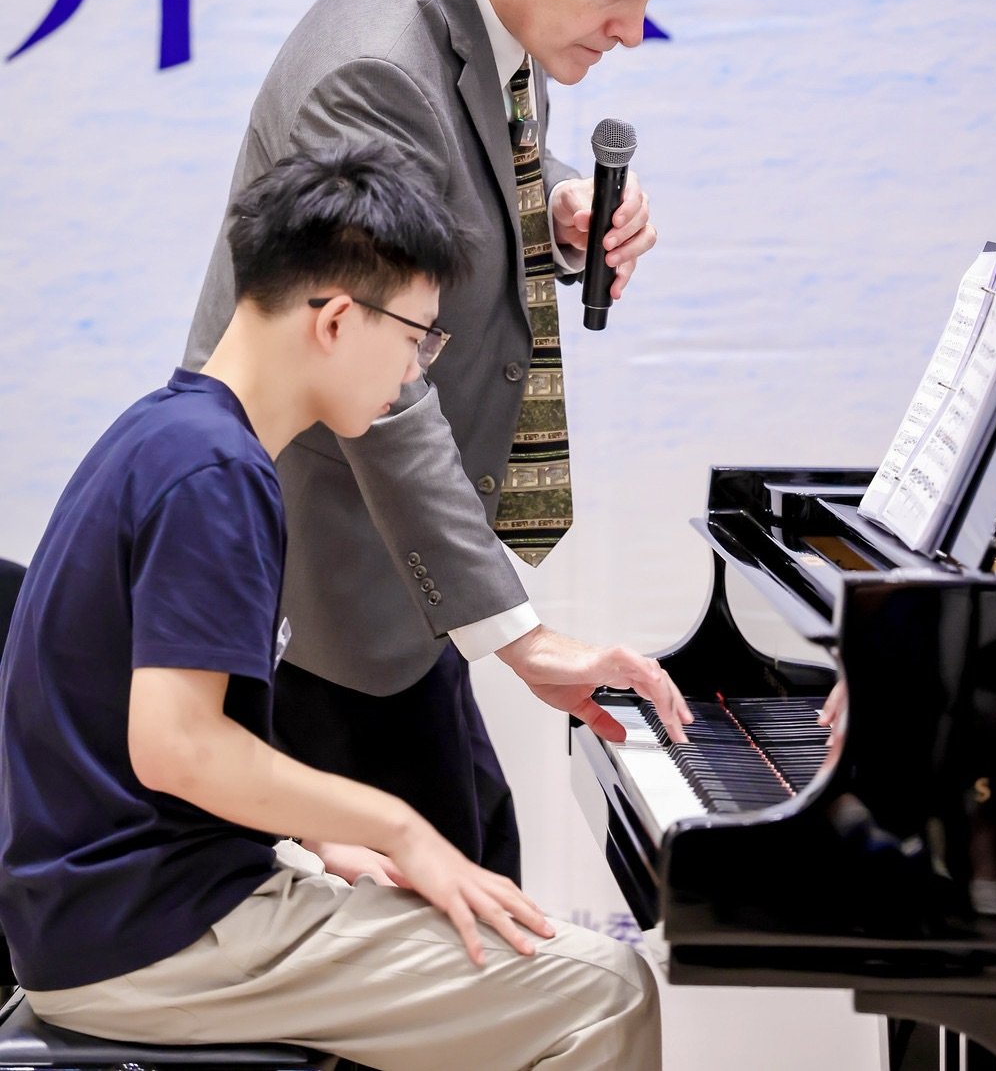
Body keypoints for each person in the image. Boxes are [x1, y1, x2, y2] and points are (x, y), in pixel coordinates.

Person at [0, 146, 662, 1070]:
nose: (411, 373)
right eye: (417, 339)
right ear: (339, 320)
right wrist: (390, 826)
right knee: (601, 991)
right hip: (151, 936)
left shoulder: (171, 432)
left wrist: (316, 835)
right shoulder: (213, 474)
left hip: (118, 913)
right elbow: (176, 747)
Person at [185, 0, 710, 883]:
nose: (628, 30)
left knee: (481, 860)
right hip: (322, 566)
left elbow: (468, 163)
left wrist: (553, 205)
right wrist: (522, 639)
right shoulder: (375, 70)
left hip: (390, 566)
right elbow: (378, 387)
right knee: (446, 934)